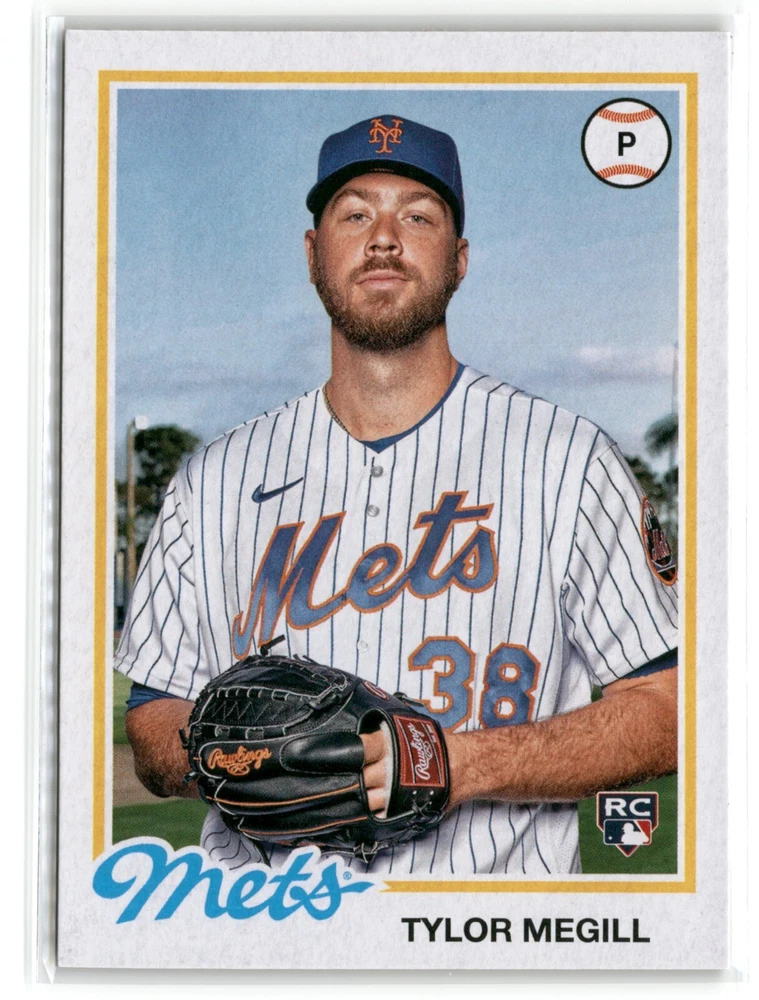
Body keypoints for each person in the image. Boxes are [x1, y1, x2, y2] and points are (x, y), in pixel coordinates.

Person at [115, 114, 678, 875]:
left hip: (488, 929)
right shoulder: (209, 483)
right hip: (266, 927)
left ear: (460, 259)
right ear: (312, 254)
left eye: (417, 216)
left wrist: (460, 763)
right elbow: (153, 714)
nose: (383, 238)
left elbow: (669, 708)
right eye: (355, 215)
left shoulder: (568, 461)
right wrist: (233, 759)